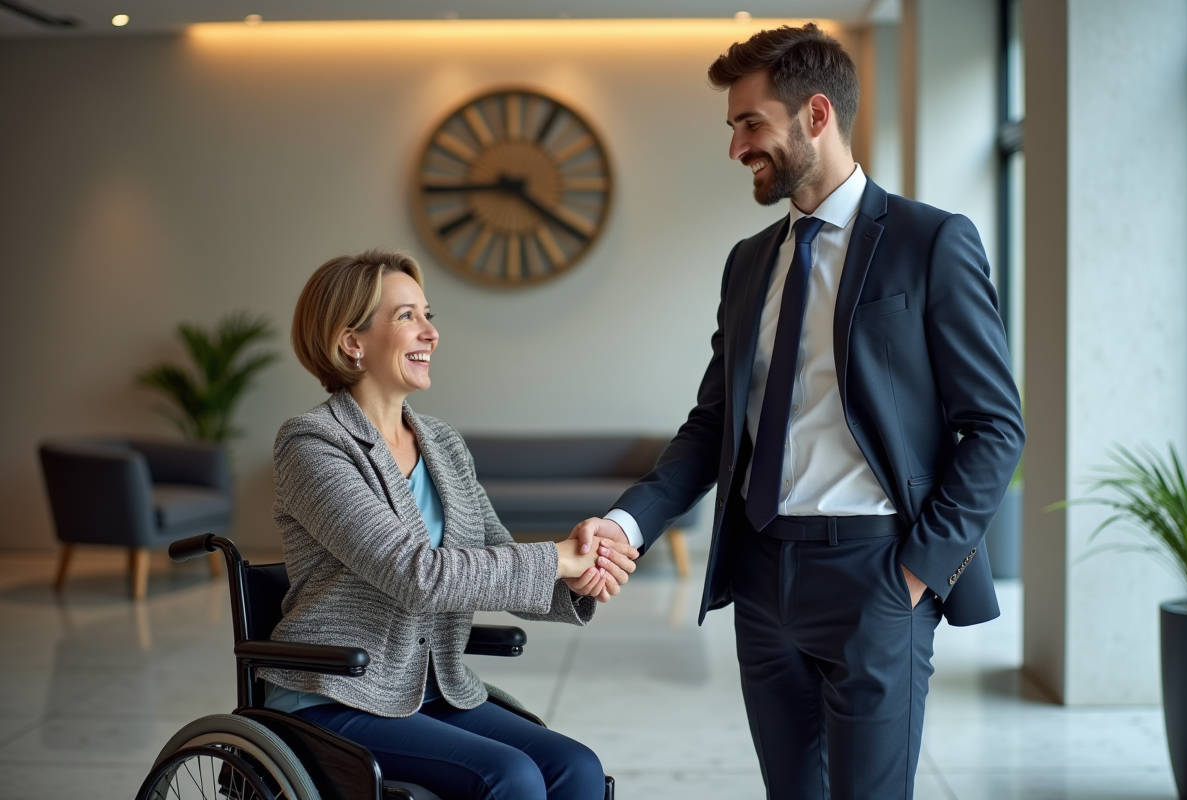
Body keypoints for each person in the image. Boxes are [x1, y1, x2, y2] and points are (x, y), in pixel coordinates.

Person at [570, 24, 1025, 800]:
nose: (736, 147)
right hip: (761, 578)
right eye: (733, 127)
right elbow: (713, 426)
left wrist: (915, 574)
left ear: (816, 114)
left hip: (876, 575)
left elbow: (994, 427)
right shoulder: (750, 262)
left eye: (752, 124)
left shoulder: (930, 241)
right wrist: (627, 524)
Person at [261, 248, 639, 800]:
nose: (430, 333)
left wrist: (581, 575)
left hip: (435, 690)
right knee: (510, 778)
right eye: (406, 316)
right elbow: (418, 575)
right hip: (336, 693)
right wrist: (557, 557)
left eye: (427, 314)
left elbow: (494, 555)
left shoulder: (441, 444)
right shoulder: (312, 446)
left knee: (576, 767)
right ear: (352, 342)